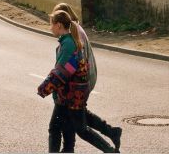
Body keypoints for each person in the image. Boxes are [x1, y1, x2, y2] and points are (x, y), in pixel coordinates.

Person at [37, 10, 116, 153]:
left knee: (74, 129)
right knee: (64, 128)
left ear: (59, 25)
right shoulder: (68, 41)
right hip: (69, 95)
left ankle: (110, 150)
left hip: (71, 96)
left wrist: (44, 88)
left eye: (51, 24)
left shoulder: (68, 44)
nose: (50, 28)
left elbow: (62, 72)